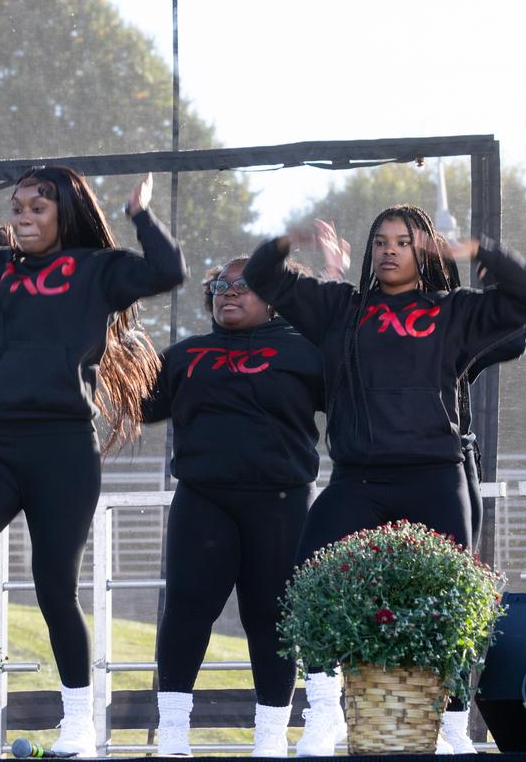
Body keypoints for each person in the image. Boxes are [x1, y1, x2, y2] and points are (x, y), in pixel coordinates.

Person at [0, 139, 187, 756]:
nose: (24, 216)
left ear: (64, 214)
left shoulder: (95, 269)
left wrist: (140, 216)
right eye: (18, 207)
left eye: (37, 208)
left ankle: (78, 720)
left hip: (61, 448)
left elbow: (167, 272)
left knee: (53, 583)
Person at [244, 204, 526, 756]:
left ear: (423, 251)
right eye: (381, 240)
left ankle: (453, 730)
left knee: (456, 599)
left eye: (403, 242)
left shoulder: (454, 312)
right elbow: (262, 277)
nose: (389, 249)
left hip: (434, 475)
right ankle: (323, 713)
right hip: (358, 479)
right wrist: (288, 240)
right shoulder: (339, 308)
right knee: (307, 579)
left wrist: (479, 251)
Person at [142, 254, 325, 757]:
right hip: (204, 499)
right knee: (185, 610)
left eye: (244, 285)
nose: (228, 291)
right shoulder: (184, 354)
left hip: (282, 501)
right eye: (220, 284)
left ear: (274, 296)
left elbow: (359, 398)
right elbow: (142, 406)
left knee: (272, 615)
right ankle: (173, 735)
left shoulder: (307, 351)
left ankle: (270, 736)